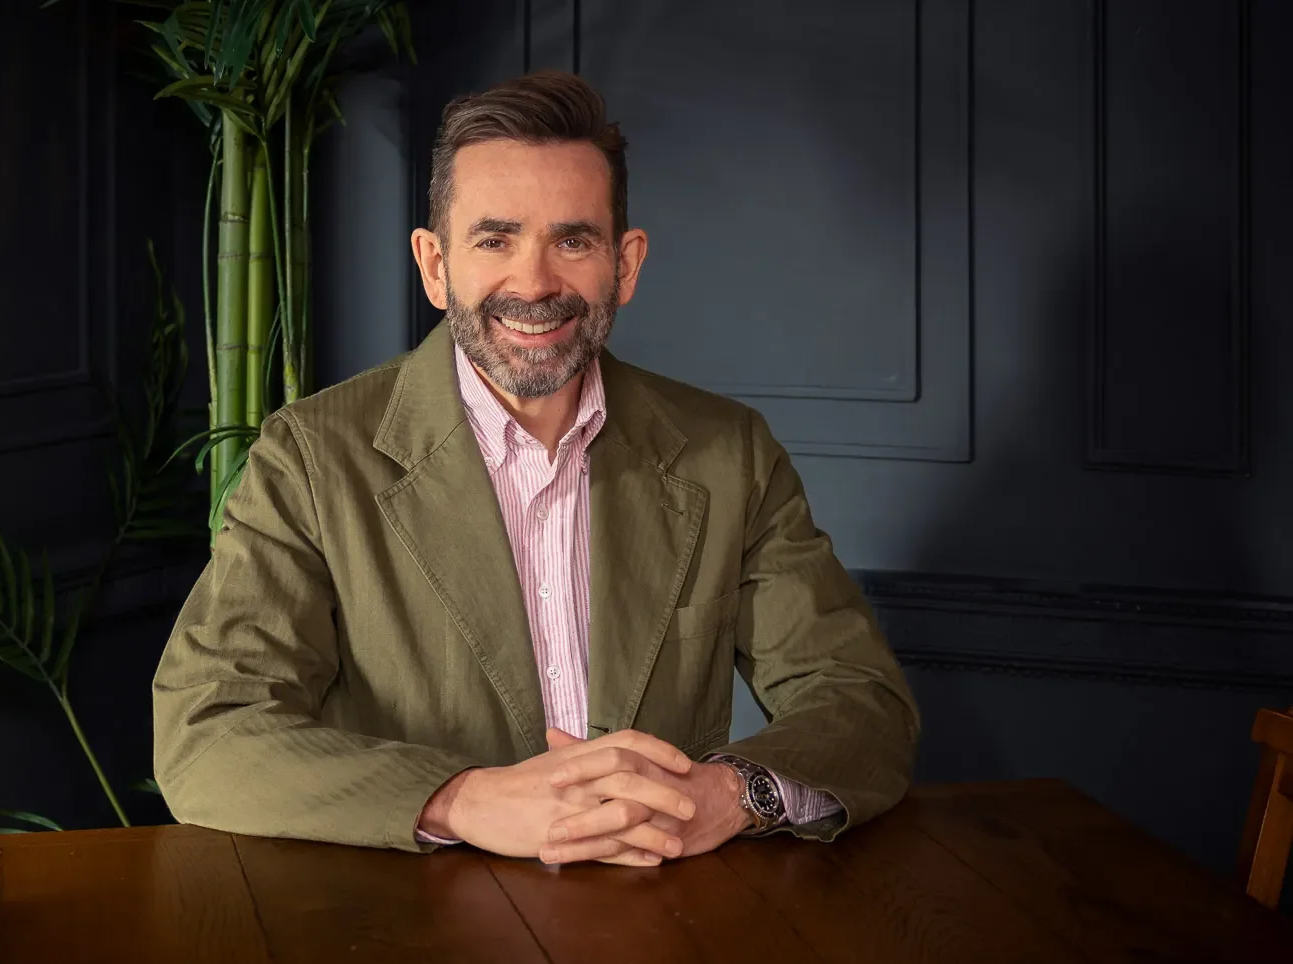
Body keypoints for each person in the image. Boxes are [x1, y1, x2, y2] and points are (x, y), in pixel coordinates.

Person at [152, 70, 919, 867]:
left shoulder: (730, 452)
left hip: (663, 928)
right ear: (434, 263)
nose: (535, 282)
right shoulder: (311, 459)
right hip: (406, 938)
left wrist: (728, 795)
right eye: (495, 239)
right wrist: (462, 798)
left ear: (624, 263)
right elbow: (208, 729)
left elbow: (860, 698)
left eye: (573, 239)